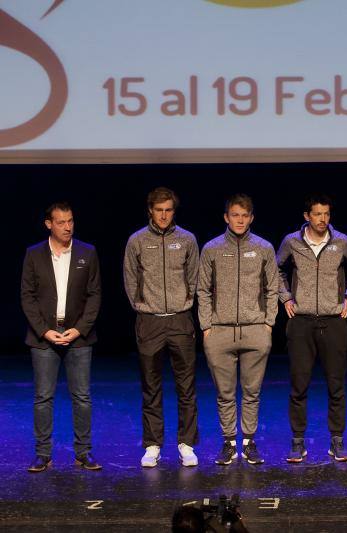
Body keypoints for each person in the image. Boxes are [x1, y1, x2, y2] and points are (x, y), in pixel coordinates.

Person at [277, 194, 347, 463]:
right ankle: (297, 441)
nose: (323, 219)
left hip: (333, 322)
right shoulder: (291, 241)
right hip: (301, 323)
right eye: (317, 214)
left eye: (326, 214)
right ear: (307, 216)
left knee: (336, 385)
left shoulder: (342, 241)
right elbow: (275, 269)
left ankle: (337, 441)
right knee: (299, 384)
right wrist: (286, 297)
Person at [197, 194, 280, 466]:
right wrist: (207, 327)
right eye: (235, 215)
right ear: (226, 217)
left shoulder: (264, 247)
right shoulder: (211, 248)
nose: (240, 220)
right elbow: (203, 290)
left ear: (251, 218)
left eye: (245, 215)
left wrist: (268, 324)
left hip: (255, 330)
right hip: (220, 331)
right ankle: (229, 442)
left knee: (252, 390)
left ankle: (249, 441)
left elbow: (272, 288)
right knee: (225, 392)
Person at [21, 202, 102, 472]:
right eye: (61, 222)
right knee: (43, 397)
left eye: (70, 221)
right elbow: (27, 297)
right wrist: (44, 331)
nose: (67, 227)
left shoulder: (86, 252)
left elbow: (94, 295)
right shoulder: (34, 254)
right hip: (44, 336)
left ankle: (83, 452)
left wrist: (79, 329)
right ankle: (43, 453)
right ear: (48, 224)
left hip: (78, 336)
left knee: (82, 396)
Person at [124, 187, 200, 468]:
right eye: (159, 210)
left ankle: (186, 443)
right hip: (150, 321)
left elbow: (194, 279)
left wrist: (185, 302)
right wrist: (144, 306)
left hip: (180, 320)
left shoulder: (188, 240)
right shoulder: (137, 241)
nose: (164, 215)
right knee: (151, 386)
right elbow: (131, 281)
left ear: (174, 211)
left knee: (186, 386)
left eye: (168, 210)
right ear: (150, 211)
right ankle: (153, 444)